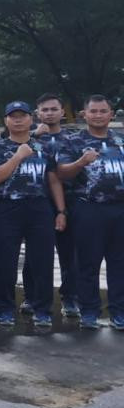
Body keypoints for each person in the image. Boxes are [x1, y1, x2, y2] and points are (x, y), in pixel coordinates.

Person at [0, 101, 68, 327]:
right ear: (6, 121)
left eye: (23, 116)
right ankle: (4, 307)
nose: (18, 120)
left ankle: (42, 308)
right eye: (13, 116)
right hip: (7, 207)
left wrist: (60, 210)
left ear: (31, 119)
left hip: (39, 207)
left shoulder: (44, 147)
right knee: (5, 261)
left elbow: (53, 179)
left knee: (42, 260)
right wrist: (18, 156)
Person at [56, 95, 124, 330]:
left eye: (102, 111)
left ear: (110, 114)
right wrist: (81, 162)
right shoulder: (73, 142)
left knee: (119, 263)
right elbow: (61, 173)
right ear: (85, 114)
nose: (97, 115)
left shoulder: (120, 141)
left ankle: (119, 312)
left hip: (119, 209)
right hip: (88, 208)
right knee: (87, 262)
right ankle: (89, 311)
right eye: (93, 111)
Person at [32, 93, 78, 318]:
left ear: (62, 112)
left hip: (69, 200)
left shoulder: (74, 140)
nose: (49, 113)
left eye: (53, 109)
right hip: (37, 201)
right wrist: (32, 135)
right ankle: (32, 297)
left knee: (69, 253)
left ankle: (70, 297)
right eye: (45, 110)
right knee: (35, 254)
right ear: (37, 113)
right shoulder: (30, 139)